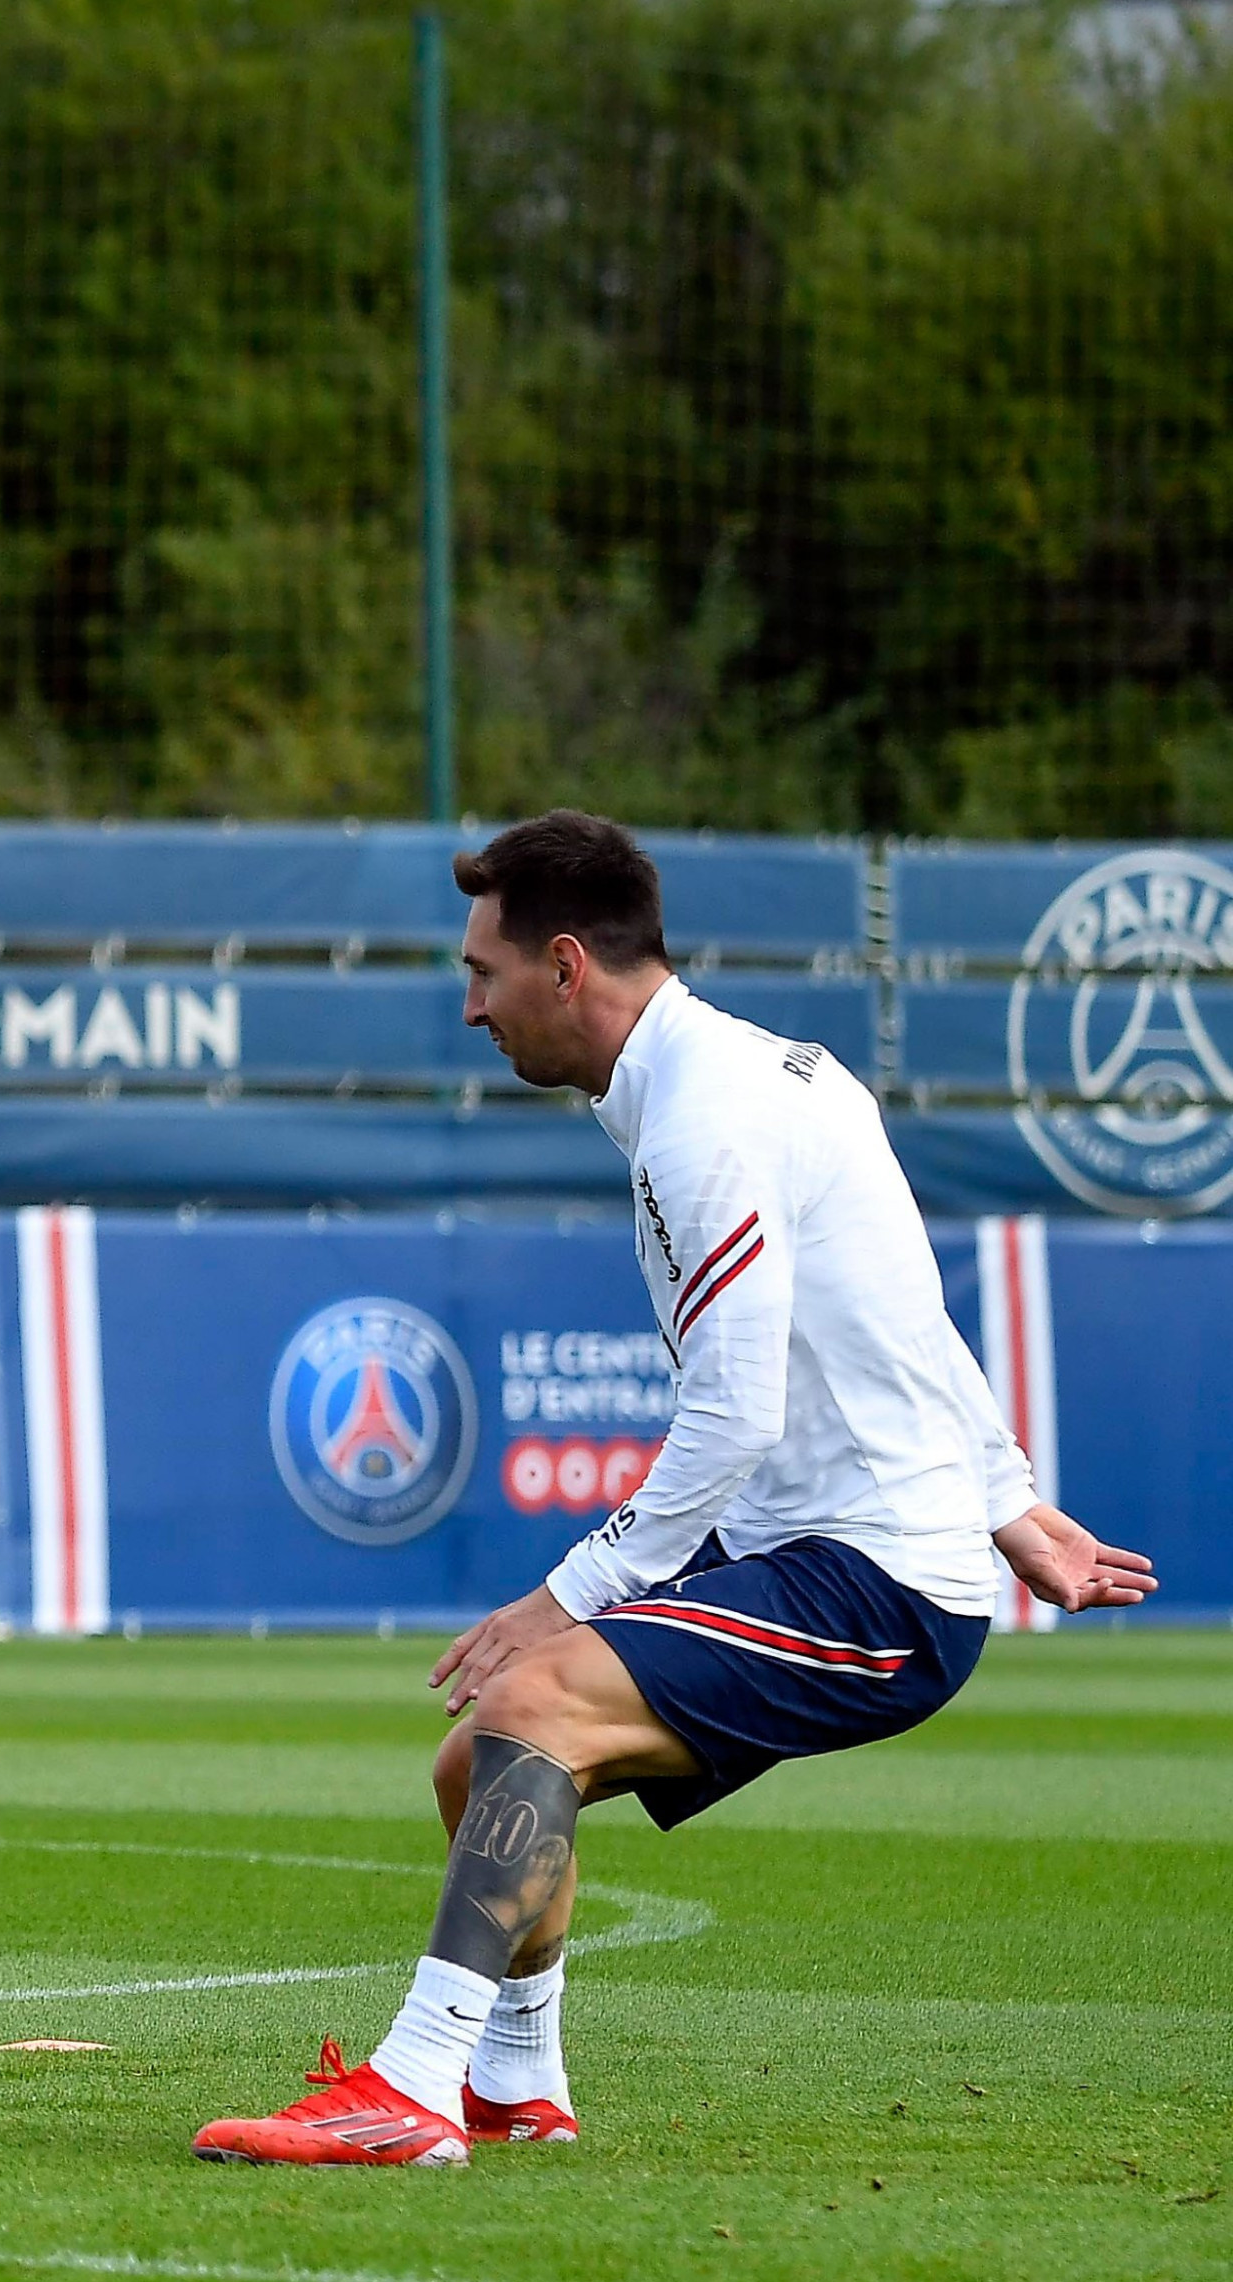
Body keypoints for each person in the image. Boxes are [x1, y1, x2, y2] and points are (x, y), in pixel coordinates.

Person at [197, 809, 1155, 2167]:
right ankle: (516, 2082)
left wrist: (565, 1593)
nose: (471, 1006)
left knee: (531, 1697)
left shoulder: (709, 1114)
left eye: (484, 972)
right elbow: (902, 1310)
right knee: (484, 1761)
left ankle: (407, 2088)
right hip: (861, 1547)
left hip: (875, 1577)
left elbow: (735, 1414)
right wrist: (1009, 1499)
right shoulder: (761, 1075)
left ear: (568, 965)